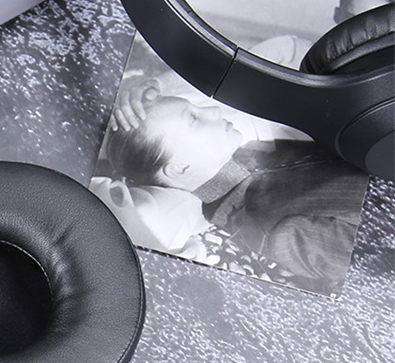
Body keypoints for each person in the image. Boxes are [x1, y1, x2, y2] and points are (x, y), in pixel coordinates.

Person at [101, 75, 367, 293]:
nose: (213, 110)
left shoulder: (250, 153)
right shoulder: (273, 228)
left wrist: (147, 83)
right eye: (193, 118)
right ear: (180, 168)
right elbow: (373, 262)